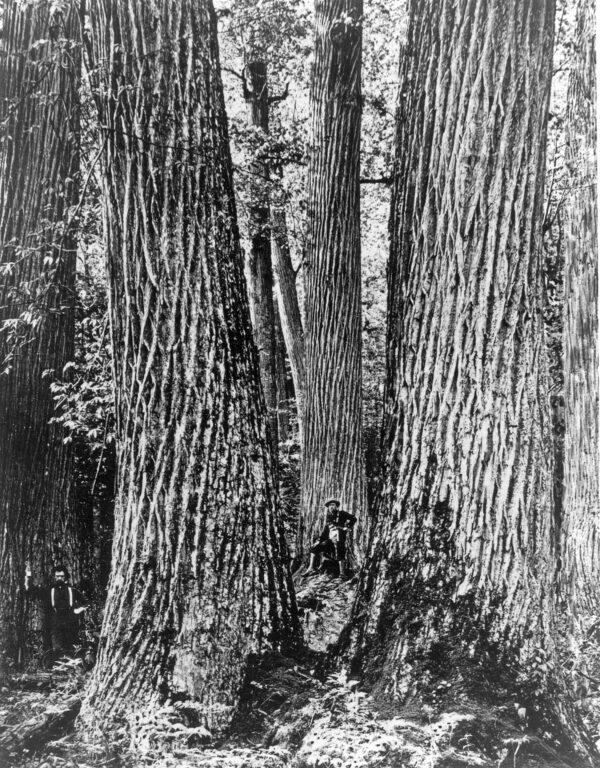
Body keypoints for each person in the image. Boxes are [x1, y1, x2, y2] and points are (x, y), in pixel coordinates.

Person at [25, 563, 88, 663]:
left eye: (62, 576)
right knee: (56, 648)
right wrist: (28, 576)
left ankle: (69, 669)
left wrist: (78, 610)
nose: (59, 578)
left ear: (66, 577)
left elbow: (86, 603)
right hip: (54, 622)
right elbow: (32, 590)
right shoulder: (49, 591)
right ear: (54, 577)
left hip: (70, 622)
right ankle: (55, 669)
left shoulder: (72, 591)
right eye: (57, 576)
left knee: (70, 648)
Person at [305, 498, 357, 579]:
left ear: (336, 506)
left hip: (340, 539)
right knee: (314, 548)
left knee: (340, 551)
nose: (331, 507)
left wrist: (348, 527)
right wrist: (318, 541)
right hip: (330, 541)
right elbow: (324, 534)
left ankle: (342, 573)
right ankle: (311, 568)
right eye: (329, 506)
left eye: (333, 505)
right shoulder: (329, 519)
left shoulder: (342, 514)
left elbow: (353, 518)